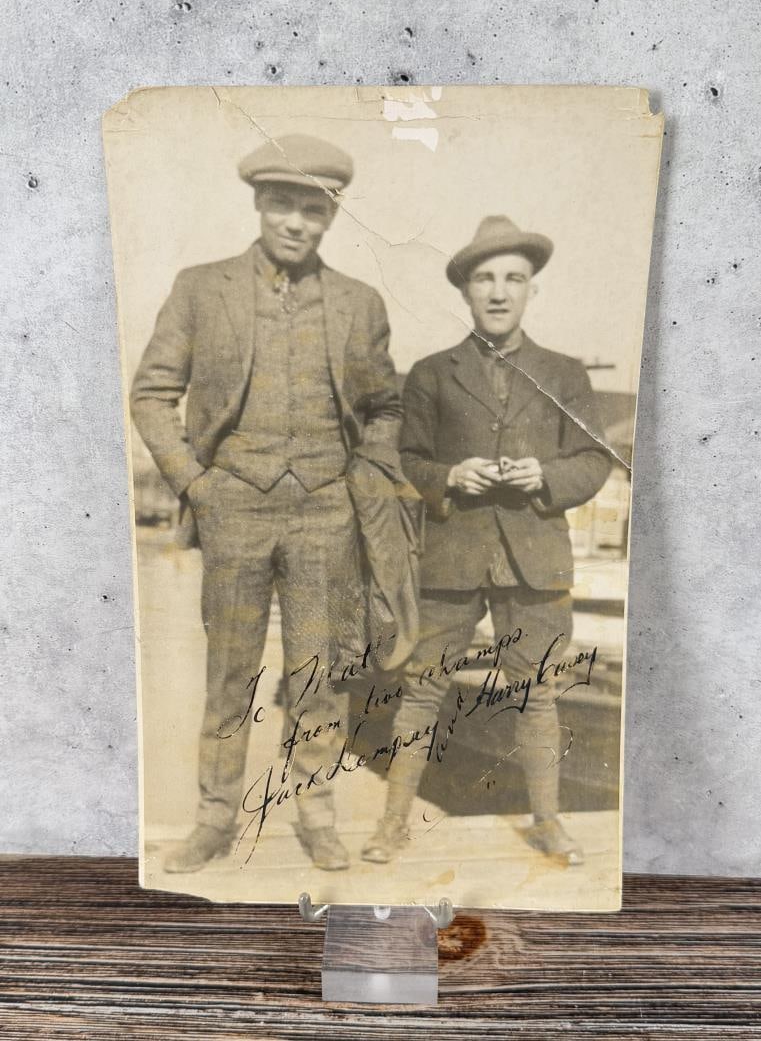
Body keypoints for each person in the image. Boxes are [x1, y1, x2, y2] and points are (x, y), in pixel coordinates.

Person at [131, 135, 403, 873]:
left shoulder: (358, 302)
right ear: (258, 204)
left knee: (319, 677)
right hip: (234, 511)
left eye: (312, 210)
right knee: (229, 675)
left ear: (331, 216)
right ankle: (214, 820)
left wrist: (360, 482)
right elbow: (152, 393)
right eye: (282, 204)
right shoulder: (200, 287)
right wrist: (196, 482)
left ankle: (316, 817)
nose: (295, 222)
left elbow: (385, 407)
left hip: (326, 516)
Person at [361, 215, 612, 866]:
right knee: (421, 690)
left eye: (513, 278)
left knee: (538, 693)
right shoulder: (431, 374)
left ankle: (548, 824)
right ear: (465, 291)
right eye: (484, 279)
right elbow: (408, 461)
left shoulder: (563, 374)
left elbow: (593, 461)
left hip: (534, 560)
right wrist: (449, 475)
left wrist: (545, 476)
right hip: (450, 558)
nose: (498, 292)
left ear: (533, 290)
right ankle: (391, 825)